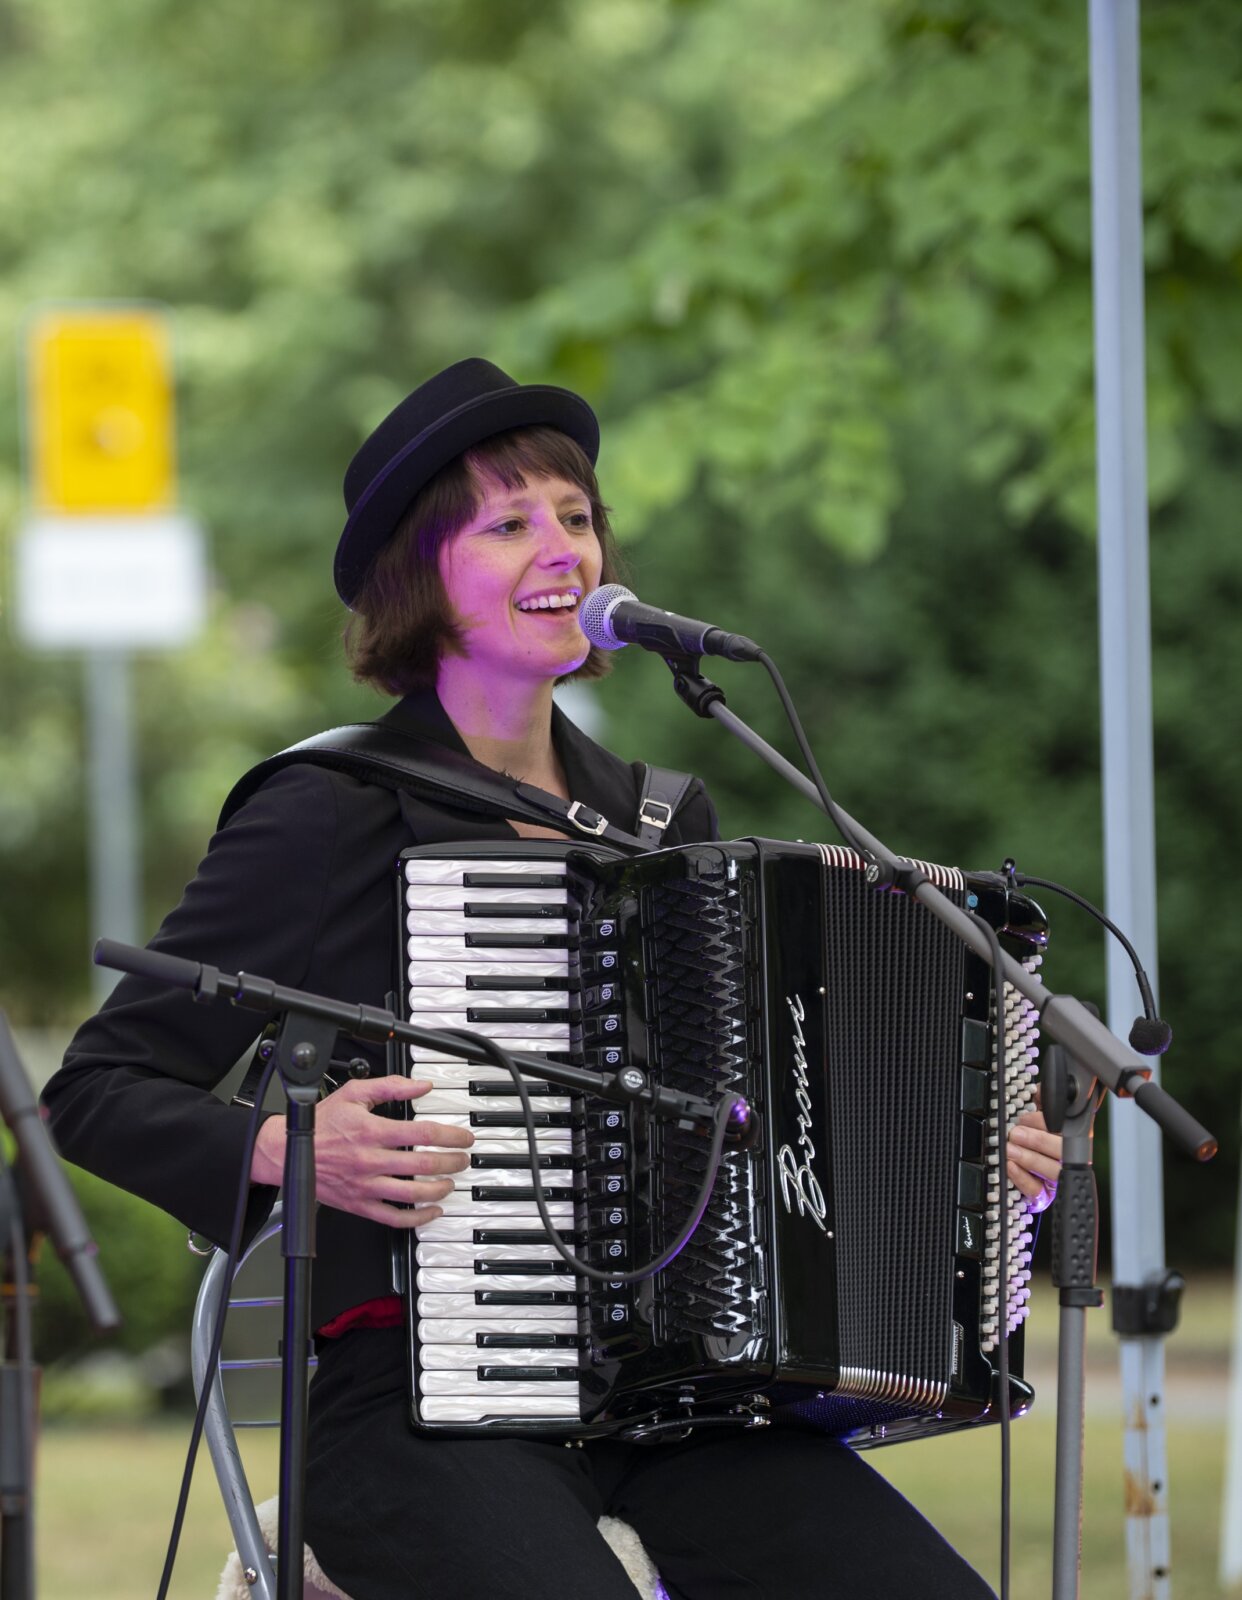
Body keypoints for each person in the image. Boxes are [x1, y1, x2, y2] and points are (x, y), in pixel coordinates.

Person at [43, 358, 1064, 1600]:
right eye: (510, 522)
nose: (563, 549)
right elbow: (95, 1089)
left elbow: (764, 1121)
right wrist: (289, 1146)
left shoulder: (661, 825)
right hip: (417, 1406)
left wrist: (958, 1153)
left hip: (671, 1411)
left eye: (577, 517)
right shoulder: (330, 812)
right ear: (420, 577)